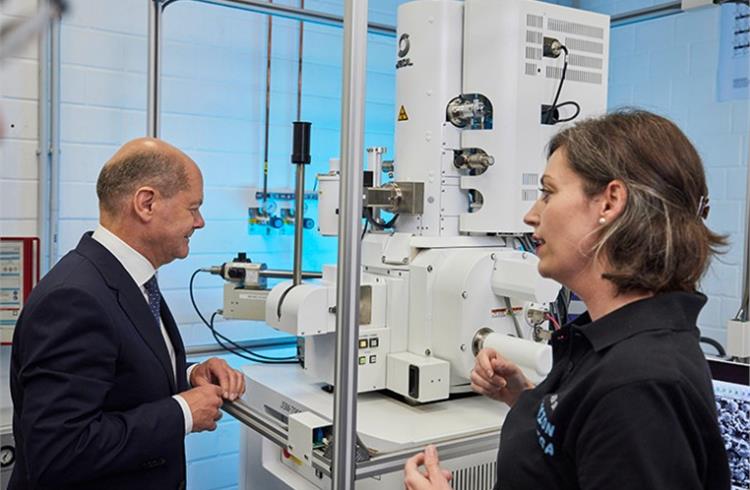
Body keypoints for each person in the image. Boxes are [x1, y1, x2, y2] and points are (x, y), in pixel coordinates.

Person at [404, 110, 731, 490]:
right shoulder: (608, 341)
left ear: (609, 203)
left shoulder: (637, 385)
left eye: (548, 193)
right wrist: (526, 399)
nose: (530, 215)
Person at [9, 137, 246, 489]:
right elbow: (58, 451)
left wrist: (190, 375)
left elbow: (119, 378)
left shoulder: (128, 280)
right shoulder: (75, 297)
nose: (200, 222)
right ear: (146, 203)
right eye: (192, 207)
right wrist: (181, 412)